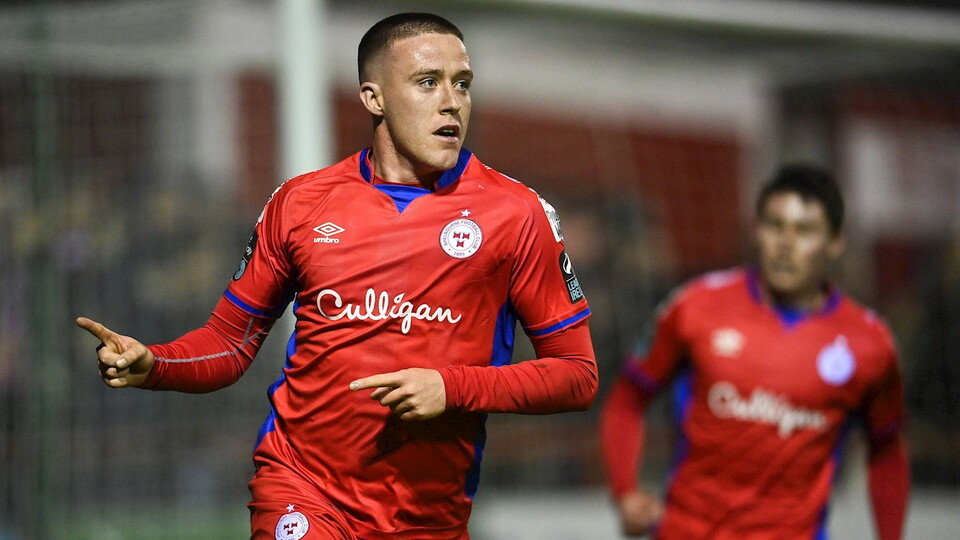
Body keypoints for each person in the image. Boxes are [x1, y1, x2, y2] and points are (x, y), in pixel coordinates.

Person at [77, 13, 597, 540]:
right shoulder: (300, 203)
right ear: (374, 98)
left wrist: (453, 386)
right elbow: (229, 344)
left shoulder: (516, 214)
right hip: (303, 487)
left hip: (428, 517)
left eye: (462, 83)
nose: (451, 102)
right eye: (427, 82)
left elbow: (577, 375)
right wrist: (155, 363)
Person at [598, 164, 910, 539]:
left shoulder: (870, 343)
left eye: (805, 230)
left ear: (835, 242)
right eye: (775, 225)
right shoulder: (695, 307)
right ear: (756, 229)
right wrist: (625, 491)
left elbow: (886, 447)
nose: (786, 243)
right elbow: (628, 398)